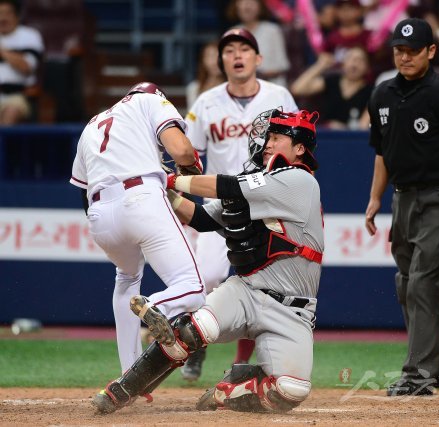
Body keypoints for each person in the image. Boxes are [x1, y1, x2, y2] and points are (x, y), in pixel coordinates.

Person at [91, 107, 323, 414]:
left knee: (289, 391)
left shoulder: (299, 181)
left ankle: (230, 389)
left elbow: (226, 186)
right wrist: (156, 190)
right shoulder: (259, 182)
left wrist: (170, 179)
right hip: (246, 292)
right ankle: (123, 389)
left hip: (292, 311)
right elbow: (200, 218)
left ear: (299, 148)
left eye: (277, 137)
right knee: (192, 330)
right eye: (268, 136)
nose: (267, 143)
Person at [364, 18, 439, 396]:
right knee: (408, 284)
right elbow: (382, 153)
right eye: (399, 50)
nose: (405, 56)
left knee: (421, 281)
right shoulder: (381, 94)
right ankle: (436, 369)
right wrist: (374, 198)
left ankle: (419, 375)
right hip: (402, 197)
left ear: (431, 51)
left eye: (413, 50)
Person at [181, 27, 297, 381]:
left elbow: (299, 149)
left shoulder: (280, 97)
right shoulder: (206, 102)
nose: (237, 55)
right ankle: (196, 345)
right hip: (220, 207)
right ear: (221, 61)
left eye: (244, 48)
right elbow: (189, 154)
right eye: (229, 49)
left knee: (262, 287)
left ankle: (240, 364)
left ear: (258, 59)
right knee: (207, 279)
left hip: (265, 206)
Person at [69, 82, 206, 375]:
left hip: (100, 214)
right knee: (193, 289)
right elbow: (180, 149)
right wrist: (191, 162)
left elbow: (82, 190)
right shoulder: (149, 100)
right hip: (141, 197)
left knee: (127, 276)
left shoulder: (92, 125)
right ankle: (153, 305)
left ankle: (129, 372)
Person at [291, 46, 373, 129]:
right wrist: (320, 66)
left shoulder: (371, 92)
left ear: (367, 67)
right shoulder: (332, 81)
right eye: (351, 58)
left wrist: (342, 128)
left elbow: (363, 126)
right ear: (343, 63)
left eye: (361, 60)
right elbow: (297, 89)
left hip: (352, 138)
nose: (354, 64)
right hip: (325, 135)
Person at [226, 0, 290, 86]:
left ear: (260, 7)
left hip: (272, 86)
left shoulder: (272, 30)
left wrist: (256, 74)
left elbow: (282, 66)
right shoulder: (233, 32)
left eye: (251, 3)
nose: (247, 6)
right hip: (242, 88)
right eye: (243, 2)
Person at [0, 0, 44, 124]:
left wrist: (3, 53)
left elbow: (27, 66)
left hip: (16, 96)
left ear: (17, 15)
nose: (2, 18)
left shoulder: (29, 35)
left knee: (10, 112)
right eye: (0, 13)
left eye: (7, 13)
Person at [185, 40, 225, 111]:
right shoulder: (194, 88)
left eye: (218, 56)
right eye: (210, 56)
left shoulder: (234, 87)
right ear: (203, 60)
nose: (214, 61)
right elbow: (192, 118)